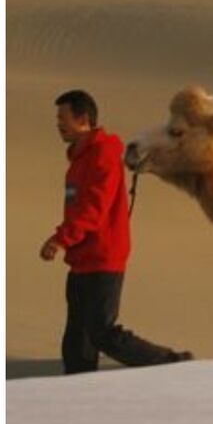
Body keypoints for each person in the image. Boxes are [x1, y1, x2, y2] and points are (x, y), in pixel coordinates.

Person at [41, 89, 192, 372]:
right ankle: (75, 393)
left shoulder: (103, 154)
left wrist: (60, 239)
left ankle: (172, 364)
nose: (58, 124)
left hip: (103, 258)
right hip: (82, 260)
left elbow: (93, 208)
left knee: (102, 333)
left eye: (63, 118)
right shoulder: (80, 159)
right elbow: (79, 208)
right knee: (77, 338)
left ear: (83, 118)